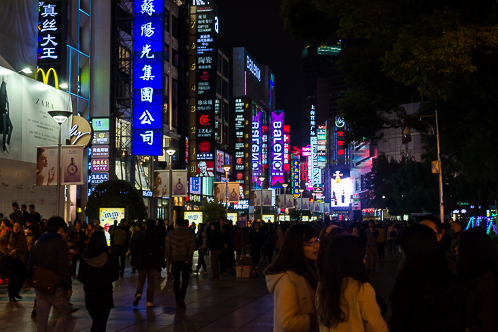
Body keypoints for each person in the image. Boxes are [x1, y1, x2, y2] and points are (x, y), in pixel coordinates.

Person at [390, 224, 466, 332]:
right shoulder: (449, 278)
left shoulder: (407, 281)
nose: (402, 253)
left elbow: (398, 322)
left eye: (404, 249)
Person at [316, 235, 388, 331]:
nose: (364, 260)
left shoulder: (322, 286)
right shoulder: (362, 289)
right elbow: (377, 327)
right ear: (355, 259)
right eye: (363, 257)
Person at [265, 224, 320, 332]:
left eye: (317, 241)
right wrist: (318, 320)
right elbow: (287, 322)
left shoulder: (309, 270)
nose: (316, 246)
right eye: (310, 243)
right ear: (297, 246)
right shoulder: (288, 280)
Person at [27, 216, 73, 332]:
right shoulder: (61, 244)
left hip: (40, 285)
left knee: (41, 318)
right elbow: (63, 268)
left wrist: (32, 279)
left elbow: (29, 265)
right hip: (56, 285)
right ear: (59, 229)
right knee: (64, 312)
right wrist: (68, 286)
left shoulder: (37, 242)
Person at [457, 228, 498, 331]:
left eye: (460, 245)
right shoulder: (475, 279)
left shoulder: (486, 285)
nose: (456, 249)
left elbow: (488, 325)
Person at [78, 230, 119, 332]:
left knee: (96, 320)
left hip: (90, 293)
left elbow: (81, 277)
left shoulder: (85, 256)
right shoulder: (110, 255)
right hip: (105, 292)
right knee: (101, 322)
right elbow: (115, 275)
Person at [165, 218, 196, 309]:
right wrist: (188, 258)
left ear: (177, 224)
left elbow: (167, 247)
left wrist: (170, 258)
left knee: (176, 280)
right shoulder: (190, 234)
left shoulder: (170, 234)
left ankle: (177, 298)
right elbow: (192, 247)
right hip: (186, 260)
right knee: (185, 280)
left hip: (175, 260)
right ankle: (181, 297)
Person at [132, 219, 161, 307]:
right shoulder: (154, 236)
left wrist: (133, 262)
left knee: (141, 279)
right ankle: (149, 301)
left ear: (146, 226)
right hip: (151, 261)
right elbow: (157, 250)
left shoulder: (139, 235)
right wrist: (160, 262)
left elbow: (134, 250)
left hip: (141, 260)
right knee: (151, 282)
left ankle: (139, 293)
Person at [0, 220, 27, 302]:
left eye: (18, 227)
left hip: (19, 257)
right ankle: (12, 295)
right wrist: (4, 250)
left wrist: (15, 251)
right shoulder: (8, 233)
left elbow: (24, 247)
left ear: (21, 228)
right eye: (15, 226)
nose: (16, 228)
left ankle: (15, 292)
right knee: (11, 277)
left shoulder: (22, 236)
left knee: (22, 276)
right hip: (10, 258)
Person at [1, 75, 13, 154]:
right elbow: (2, 99)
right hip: (3, 113)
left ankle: (6, 143)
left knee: (10, 127)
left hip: (6, 113)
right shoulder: (3, 86)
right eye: (6, 79)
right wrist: (3, 112)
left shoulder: (4, 87)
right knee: (5, 130)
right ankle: (4, 146)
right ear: (3, 79)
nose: (7, 80)